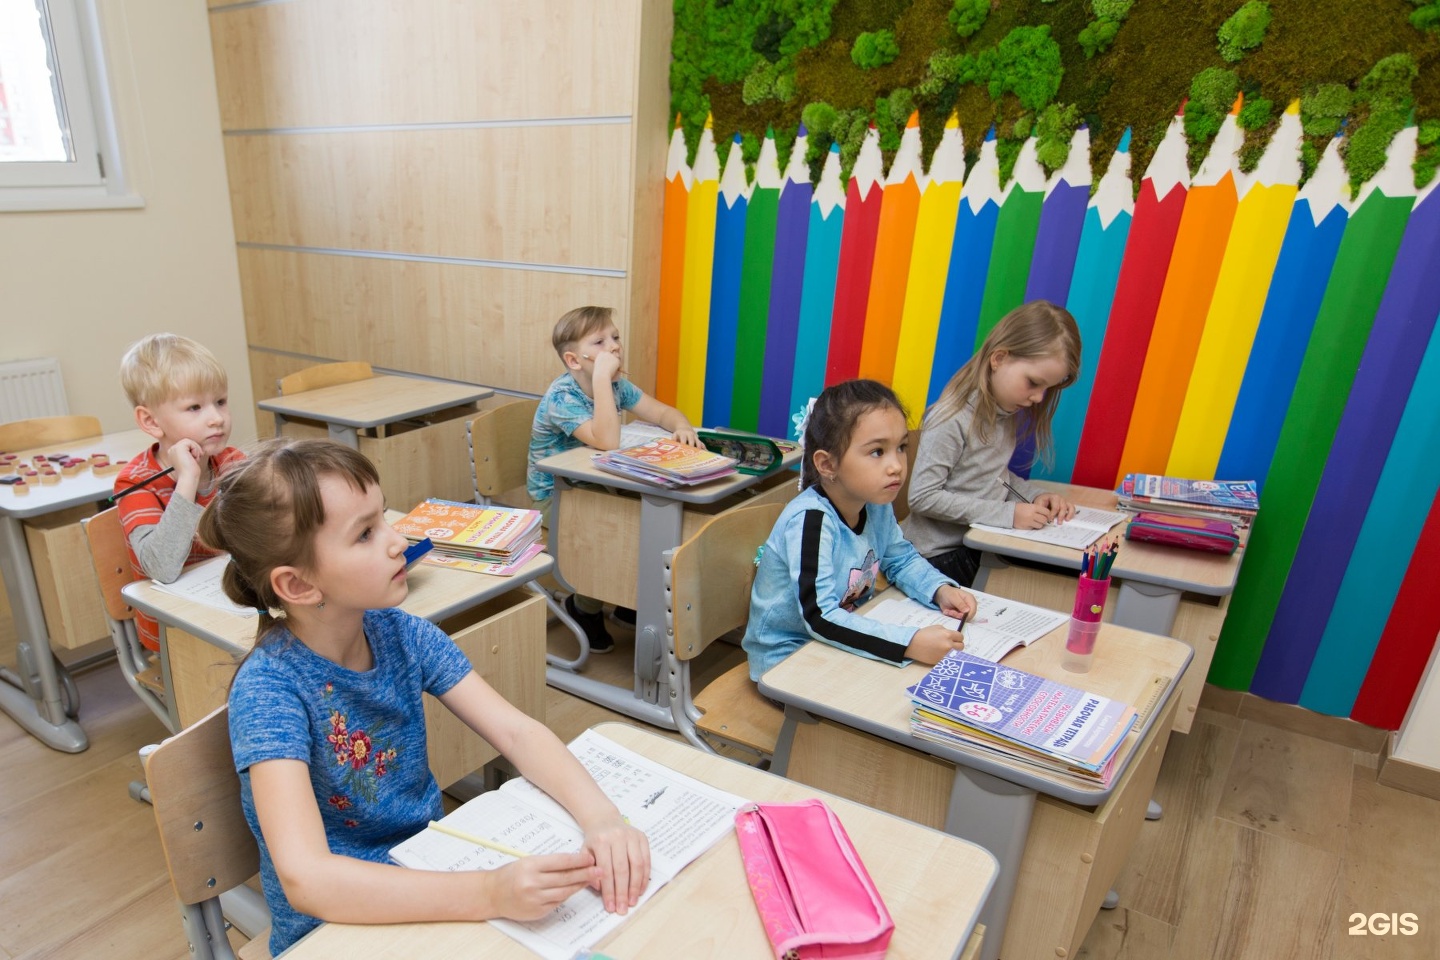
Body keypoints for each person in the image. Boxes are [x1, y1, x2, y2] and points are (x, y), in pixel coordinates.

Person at [204, 439, 651, 956]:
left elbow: (517, 732)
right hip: (335, 929)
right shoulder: (270, 690)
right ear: (298, 586)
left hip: (430, 872)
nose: (399, 541)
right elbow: (309, 880)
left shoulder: (401, 634)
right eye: (366, 533)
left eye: (383, 518)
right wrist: (490, 892)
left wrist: (602, 819)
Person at [742, 379, 977, 681]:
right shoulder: (810, 522)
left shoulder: (875, 503)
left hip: (836, 641)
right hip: (786, 659)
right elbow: (819, 617)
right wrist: (910, 643)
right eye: (878, 452)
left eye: (901, 447)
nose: (896, 465)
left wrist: (939, 589)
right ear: (827, 464)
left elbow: (901, 559)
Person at [525, 305, 700, 652]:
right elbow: (607, 440)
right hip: (554, 497)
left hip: (598, 486)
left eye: (615, 337)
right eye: (600, 342)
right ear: (574, 360)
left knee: (652, 520)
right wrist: (603, 379)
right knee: (613, 532)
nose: (615, 346)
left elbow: (662, 412)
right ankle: (583, 607)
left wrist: (682, 427)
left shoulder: (618, 386)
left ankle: (625, 600)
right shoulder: (562, 397)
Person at [902, 300, 1082, 587]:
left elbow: (991, 478)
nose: (1038, 397)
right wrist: (1009, 514)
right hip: (935, 558)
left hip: (976, 543)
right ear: (998, 358)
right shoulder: (952, 418)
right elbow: (923, 497)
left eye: (1047, 388)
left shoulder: (1003, 413)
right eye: (1033, 382)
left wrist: (1033, 496)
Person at [115, 333, 246, 650]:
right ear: (151, 421)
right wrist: (188, 480)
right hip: (175, 632)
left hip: (231, 605)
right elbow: (161, 568)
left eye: (220, 402)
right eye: (194, 407)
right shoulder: (135, 483)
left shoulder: (233, 463)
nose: (216, 418)